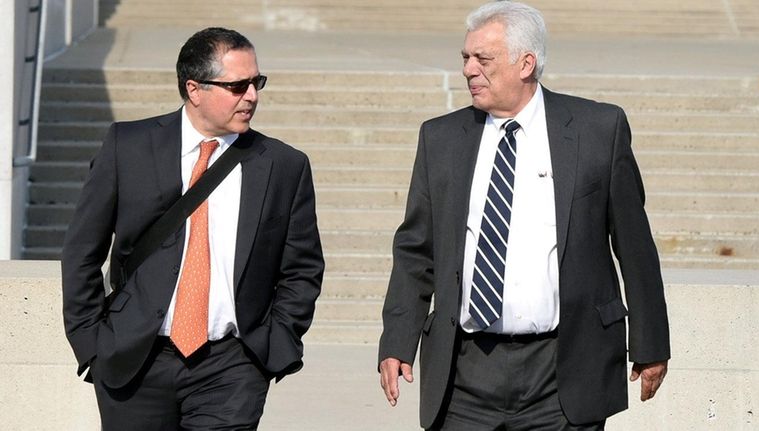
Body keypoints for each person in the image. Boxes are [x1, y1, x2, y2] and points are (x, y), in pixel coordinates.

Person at [378, 2, 670, 429]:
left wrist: (650, 343)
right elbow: (415, 251)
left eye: (483, 59)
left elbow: (635, 246)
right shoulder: (440, 139)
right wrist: (397, 341)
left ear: (526, 63)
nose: (469, 70)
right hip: (464, 374)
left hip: (562, 370)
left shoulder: (596, 130)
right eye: (465, 58)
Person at [61, 27, 324, 430]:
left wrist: (274, 345)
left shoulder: (284, 165)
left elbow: (302, 269)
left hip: (231, 367)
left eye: (257, 82)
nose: (252, 95)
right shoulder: (127, 146)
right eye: (237, 85)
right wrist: (92, 343)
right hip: (135, 362)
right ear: (194, 89)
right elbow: (82, 251)